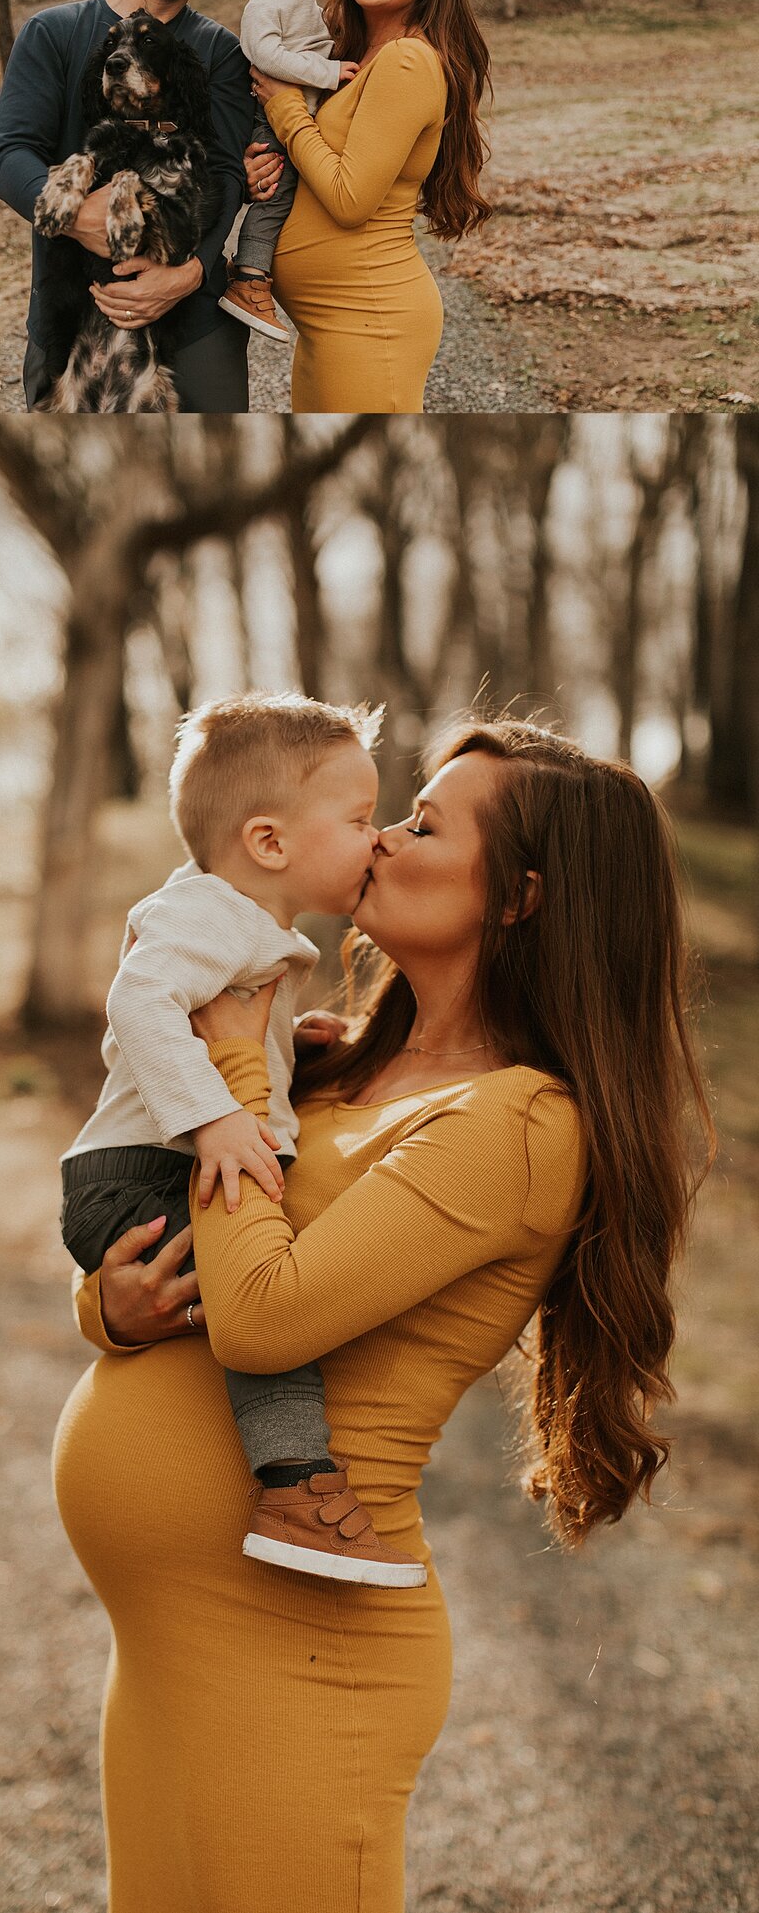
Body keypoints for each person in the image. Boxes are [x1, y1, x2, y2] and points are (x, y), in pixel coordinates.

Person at [53, 716, 712, 1913]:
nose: (383, 841)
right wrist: (115, 1311)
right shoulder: (345, 1068)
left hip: (298, 1662)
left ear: (516, 896)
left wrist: (232, 1061)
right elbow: (176, 1242)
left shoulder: (516, 1125)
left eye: (423, 823)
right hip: (170, 1644)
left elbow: (260, 1319)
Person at [60, 693, 419, 1585]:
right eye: (360, 818)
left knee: (259, 1297)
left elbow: (204, 1020)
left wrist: (281, 1046)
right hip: (150, 1165)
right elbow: (139, 1002)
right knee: (266, 1306)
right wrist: (217, 1114)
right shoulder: (213, 914)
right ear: (269, 842)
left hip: (159, 1159)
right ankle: (295, 1487)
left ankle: (289, 1482)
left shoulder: (242, 923)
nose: (377, 838)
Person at [0, 0, 252, 414]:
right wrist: (76, 213)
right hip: (71, 315)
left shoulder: (219, 51)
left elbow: (227, 172)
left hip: (193, 321)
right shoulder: (53, 32)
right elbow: (11, 154)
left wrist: (192, 273)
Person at [245, 0, 491, 413]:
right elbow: (316, 161)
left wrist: (284, 108)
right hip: (328, 325)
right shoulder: (349, 53)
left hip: (368, 320)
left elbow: (350, 198)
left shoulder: (407, 60)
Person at [219, 0, 353, 345]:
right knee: (274, 197)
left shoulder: (311, 7)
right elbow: (266, 57)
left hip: (303, 119)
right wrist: (329, 73)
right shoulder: (264, 5)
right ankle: (249, 279)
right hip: (273, 123)